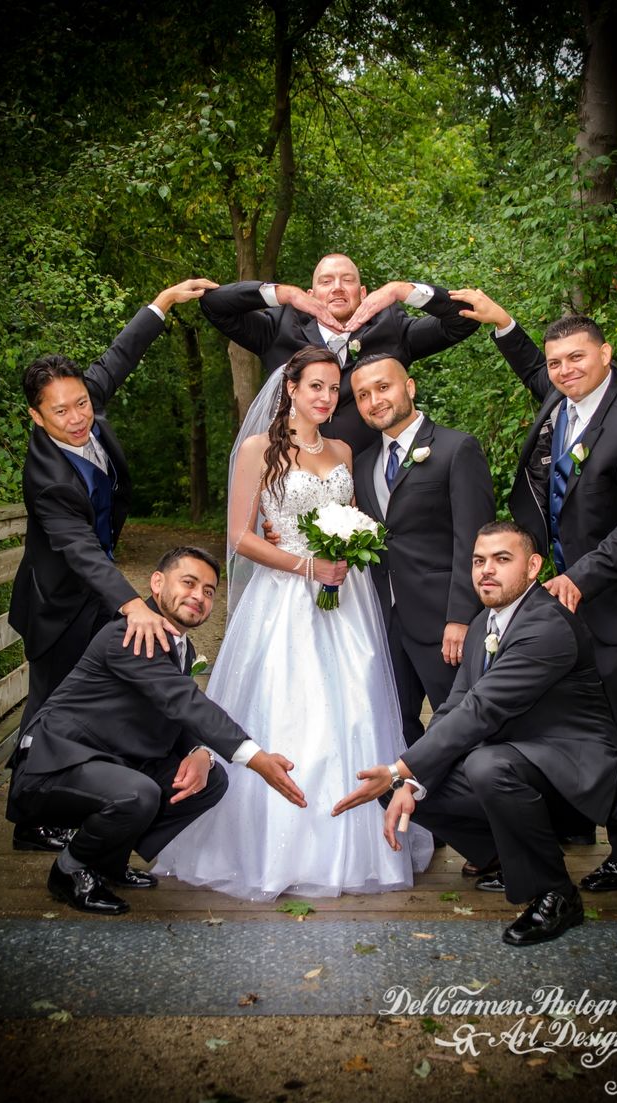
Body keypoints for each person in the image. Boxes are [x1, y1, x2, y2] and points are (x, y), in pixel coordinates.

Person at [153, 346, 433, 899]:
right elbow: (239, 535)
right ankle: (270, 842)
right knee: (287, 704)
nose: (327, 399)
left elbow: (350, 518)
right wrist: (307, 565)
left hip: (344, 595)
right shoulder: (259, 449)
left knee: (353, 706)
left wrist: (350, 553)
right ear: (291, 388)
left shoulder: (344, 449)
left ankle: (352, 844)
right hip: (283, 596)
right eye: (316, 388)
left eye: (334, 389)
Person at [450, 290, 617, 892]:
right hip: (559, 593)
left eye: (577, 358)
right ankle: (574, 819)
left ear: (605, 354)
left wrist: (579, 577)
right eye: (557, 362)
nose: (564, 370)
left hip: (614, 602)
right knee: (558, 710)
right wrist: (504, 323)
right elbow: (531, 366)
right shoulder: (561, 396)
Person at [332, 522, 617, 946]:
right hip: (518, 754)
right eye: (479, 561)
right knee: (401, 784)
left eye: (503, 560)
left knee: (482, 765)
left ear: (533, 566)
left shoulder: (547, 627)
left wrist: (401, 768)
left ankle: (556, 894)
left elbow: (482, 710)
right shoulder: (485, 620)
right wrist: (408, 777)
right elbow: (455, 704)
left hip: (571, 769)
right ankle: (503, 857)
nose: (487, 570)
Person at [8, 279, 216, 853]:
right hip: (55, 600)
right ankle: (28, 815)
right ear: (36, 417)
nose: (77, 418)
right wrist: (132, 604)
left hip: (95, 590)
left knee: (101, 694)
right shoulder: (45, 479)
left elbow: (117, 357)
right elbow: (76, 548)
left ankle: (101, 789)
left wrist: (163, 304)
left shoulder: (86, 402)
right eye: (61, 412)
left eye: (82, 404)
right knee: (49, 706)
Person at [6, 547, 306, 916]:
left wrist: (200, 752)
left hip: (110, 763)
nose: (199, 596)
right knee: (138, 794)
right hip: (53, 765)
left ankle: (108, 861)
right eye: (189, 582)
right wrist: (256, 758)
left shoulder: (181, 644)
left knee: (210, 781)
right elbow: (184, 701)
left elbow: (175, 713)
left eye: (209, 591)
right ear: (157, 582)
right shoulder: (129, 634)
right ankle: (71, 868)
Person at [350, 354, 495, 752]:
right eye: (362, 395)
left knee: (463, 727)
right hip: (383, 621)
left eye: (383, 387)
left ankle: (473, 811)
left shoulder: (456, 448)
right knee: (396, 730)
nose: (374, 400)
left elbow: (476, 542)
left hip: (443, 623)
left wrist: (462, 617)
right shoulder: (363, 465)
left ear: (409, 387)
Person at [199, 254, 479, 453]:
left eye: (347, 280)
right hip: (292, 474)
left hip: (370, 485)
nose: (337, 287)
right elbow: (213, 305)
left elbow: (465, 319)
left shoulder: (391, 329)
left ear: (363, 292)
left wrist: (401, 291)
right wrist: (285, 294)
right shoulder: (278, 328)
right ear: (311, 292)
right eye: (326, 281)